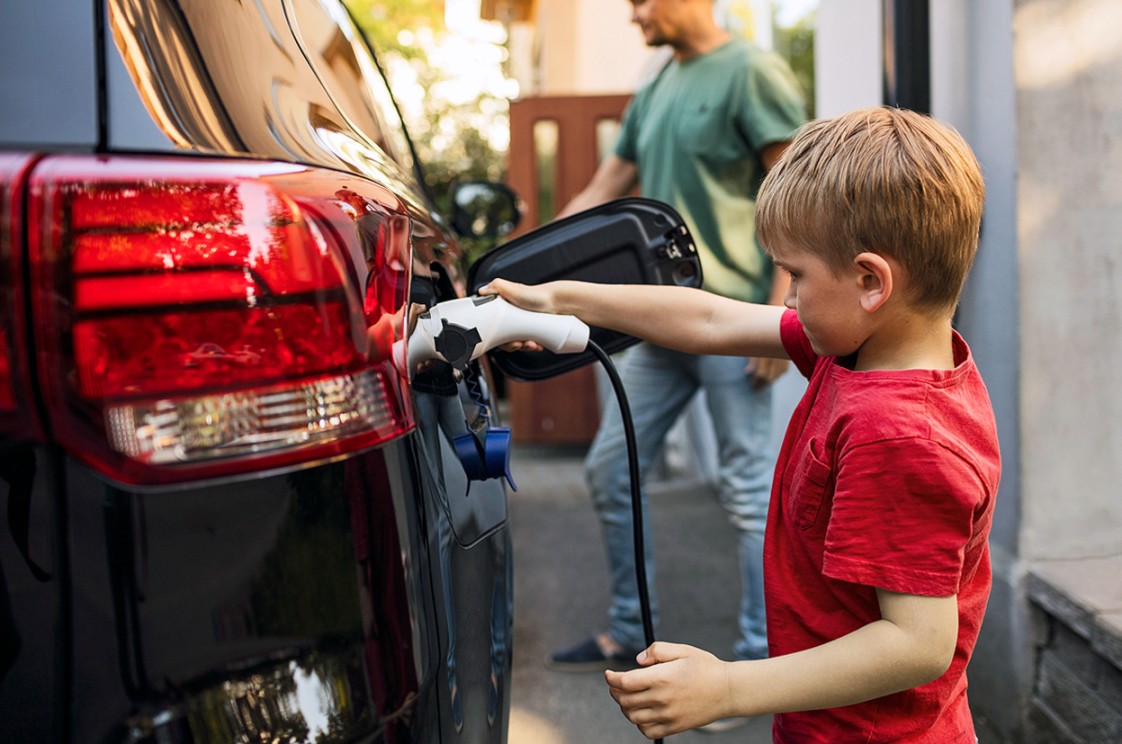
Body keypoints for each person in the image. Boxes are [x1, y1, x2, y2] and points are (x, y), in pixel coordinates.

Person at [483, 106, 1000, 742]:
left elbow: (918, 644)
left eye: (798, 275)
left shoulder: (899, 436)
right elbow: (710, 321)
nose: (786, 297)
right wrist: (561, 297)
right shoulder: (867, 349)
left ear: (871, 281)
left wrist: (729, 687)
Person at [544, 0, 807, 682]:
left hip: (734, 321)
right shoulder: (657, 82)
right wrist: (532, 260)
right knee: (610, 469)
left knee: (748, 494)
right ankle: (631, 631)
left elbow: (795, 190)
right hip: (660, 326)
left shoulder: (751, 72)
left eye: (640, 0)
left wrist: (782, 311)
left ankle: (757, 663)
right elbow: (608, 184)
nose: (633, 14)